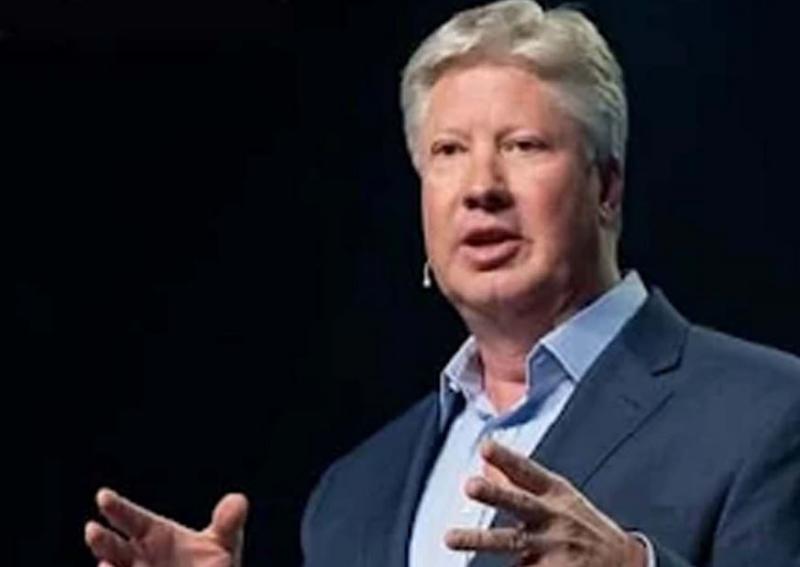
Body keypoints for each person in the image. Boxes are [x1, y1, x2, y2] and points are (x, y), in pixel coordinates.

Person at [84, 1, 800, 566]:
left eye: (523, 145)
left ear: (606, 187)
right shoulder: (352, 493)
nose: (481, 187)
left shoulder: (770, 413)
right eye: (449, 152)